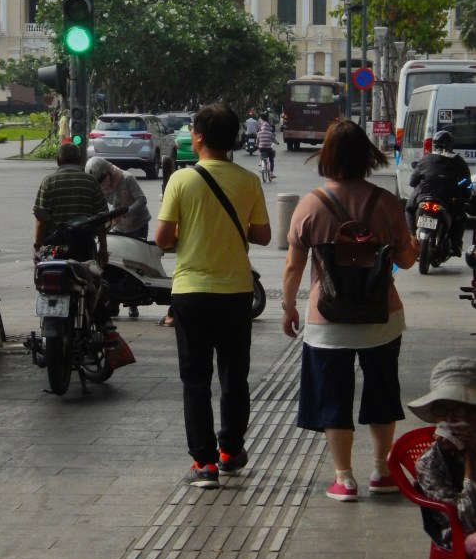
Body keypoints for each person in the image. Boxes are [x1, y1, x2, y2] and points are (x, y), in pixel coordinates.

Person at [281, 119, 418, 502]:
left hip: (327, 321)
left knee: (332, 396)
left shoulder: (311, 205)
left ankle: (345, 479)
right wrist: (411, 249)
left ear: (326, 157)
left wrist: (288, 306)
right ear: (366, 157)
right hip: (382, 319)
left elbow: (293, 266)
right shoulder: (386, 202)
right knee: (381, 392)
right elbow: (406, 261)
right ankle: (381, 470)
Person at [155, 103, 271, 487]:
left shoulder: (181, 180)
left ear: (199, 137)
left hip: (191, 293)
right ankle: (230, 453)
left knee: (195, 379)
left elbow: (162, 239)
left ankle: (203, 464)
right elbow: (263, 235)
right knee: (234, 377)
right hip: (237, 292)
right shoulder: (249, 180)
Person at [409, 357, 476, 559]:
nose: (449, 419)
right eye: (441, 410)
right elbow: (467, 522)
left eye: (459, 410)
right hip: (458, 532)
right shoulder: (430, 462)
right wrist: (469, 462)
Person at [86, 156, 152, 319]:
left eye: (102, 179)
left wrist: (126, 212)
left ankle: (133, 305)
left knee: (135, 267)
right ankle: (113, 303)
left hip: (138, 226)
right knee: (115, 266)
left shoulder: (126, 178)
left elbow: (141, 200)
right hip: (119, 228)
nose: (102, 184)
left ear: (109, 172)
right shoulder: (100, 187)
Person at [33, 142, 109, 266]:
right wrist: (103, 249)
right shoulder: (91, 182)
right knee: (92, 281)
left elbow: (41, 220)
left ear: (58, 160)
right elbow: (100, 219)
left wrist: (37, 248)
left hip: (54, 249)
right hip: (84, 247)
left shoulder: (48, 182)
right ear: (80, 160)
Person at [406, 130, 471, 256]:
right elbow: (466, 183)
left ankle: (412, 236)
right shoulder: (458, 162)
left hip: (424, 197)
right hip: (448, 199)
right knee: (460, 217)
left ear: (434, 144)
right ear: (451, 144)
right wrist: (465, 194)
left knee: (409, 208)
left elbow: (413, 181)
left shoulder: (425, 159)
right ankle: (456, 244)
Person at [256, 114, 276, 179]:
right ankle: (271, 174)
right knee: (271, 159)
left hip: (261, 148)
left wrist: (257, 144)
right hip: (268, 148)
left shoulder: (259, 133)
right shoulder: (270, 133)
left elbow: (257, 141)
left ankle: (261, 160)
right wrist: (277, 143)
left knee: (261, 151)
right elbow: (274, 140)